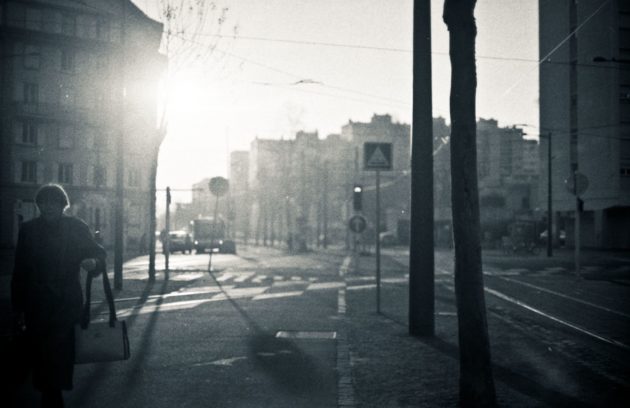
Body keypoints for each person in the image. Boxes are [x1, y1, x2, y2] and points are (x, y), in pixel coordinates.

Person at [10, 184, 107, 408]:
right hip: (37, 302)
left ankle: (52, 395)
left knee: (59, 352)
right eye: (43, 203)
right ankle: (50, 393)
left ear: (63, 205)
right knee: (43, 354)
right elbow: (20, 270)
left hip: (66, 302)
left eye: (54, 202)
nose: (48, 207)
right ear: (38, 205)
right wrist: (18, 308)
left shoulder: (76, 227)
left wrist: (93, 263)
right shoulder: (28, 230)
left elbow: (97, 253)